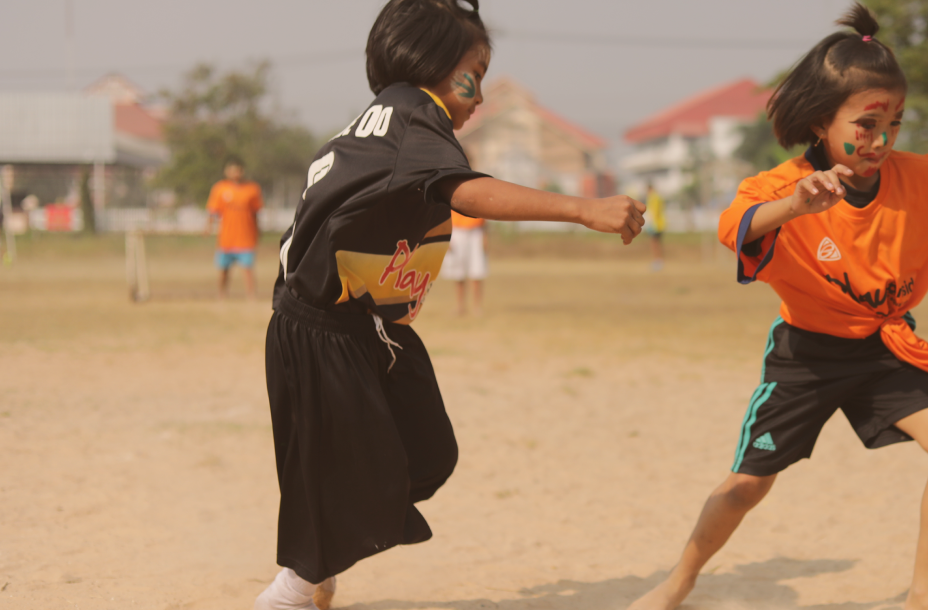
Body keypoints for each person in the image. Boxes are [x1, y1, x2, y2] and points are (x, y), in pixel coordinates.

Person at [626, 5, 928, 610]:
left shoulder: (925, 180)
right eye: (867, 123)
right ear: (819, 122)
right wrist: (796, 208)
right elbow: (736, 227)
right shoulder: (783, 187)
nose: (883, 139)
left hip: (885, 347)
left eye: (895, 121)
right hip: (807, 356)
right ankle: (678, 580)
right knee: (745, 488)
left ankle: (923, 591)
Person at [255, 2, 645, 609]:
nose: (479, 94)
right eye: (476, 72)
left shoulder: (381, 120)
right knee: (373, 463)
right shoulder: (415, 116)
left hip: (356, 327)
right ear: (432, 62)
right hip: (322, 330)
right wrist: (583, 209)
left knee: (427, 453)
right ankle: (294, 588)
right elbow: (468, 192)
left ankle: (320, 557)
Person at [206, 158, 264, 299]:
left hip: (245, 237)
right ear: (226, 171)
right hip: (227, 237)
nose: (235, 173)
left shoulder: (252, 188)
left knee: (248, 269)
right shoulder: (220, 188)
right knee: (223, 269)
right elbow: (213, 211)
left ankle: (251, 295)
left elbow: (256, 212)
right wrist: (208, 226)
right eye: (232, 170)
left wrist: (258, 230)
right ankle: (221, 294)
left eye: (238, 169)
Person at [440, 209, 487, 315]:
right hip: (456, 229)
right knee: (457, 272)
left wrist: (485, 234)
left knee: (477, 270)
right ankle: (460, 306)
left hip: (476, 229)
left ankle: (477, 307)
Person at [645, 182, 666, 271]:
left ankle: (657, 262)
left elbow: (654, 212)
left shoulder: (653, 197)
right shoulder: (657, 197)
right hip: (659, 223)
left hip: (656, 224)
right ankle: (657, 261)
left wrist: (650, 223)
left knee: (654, 244)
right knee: (656, 243)